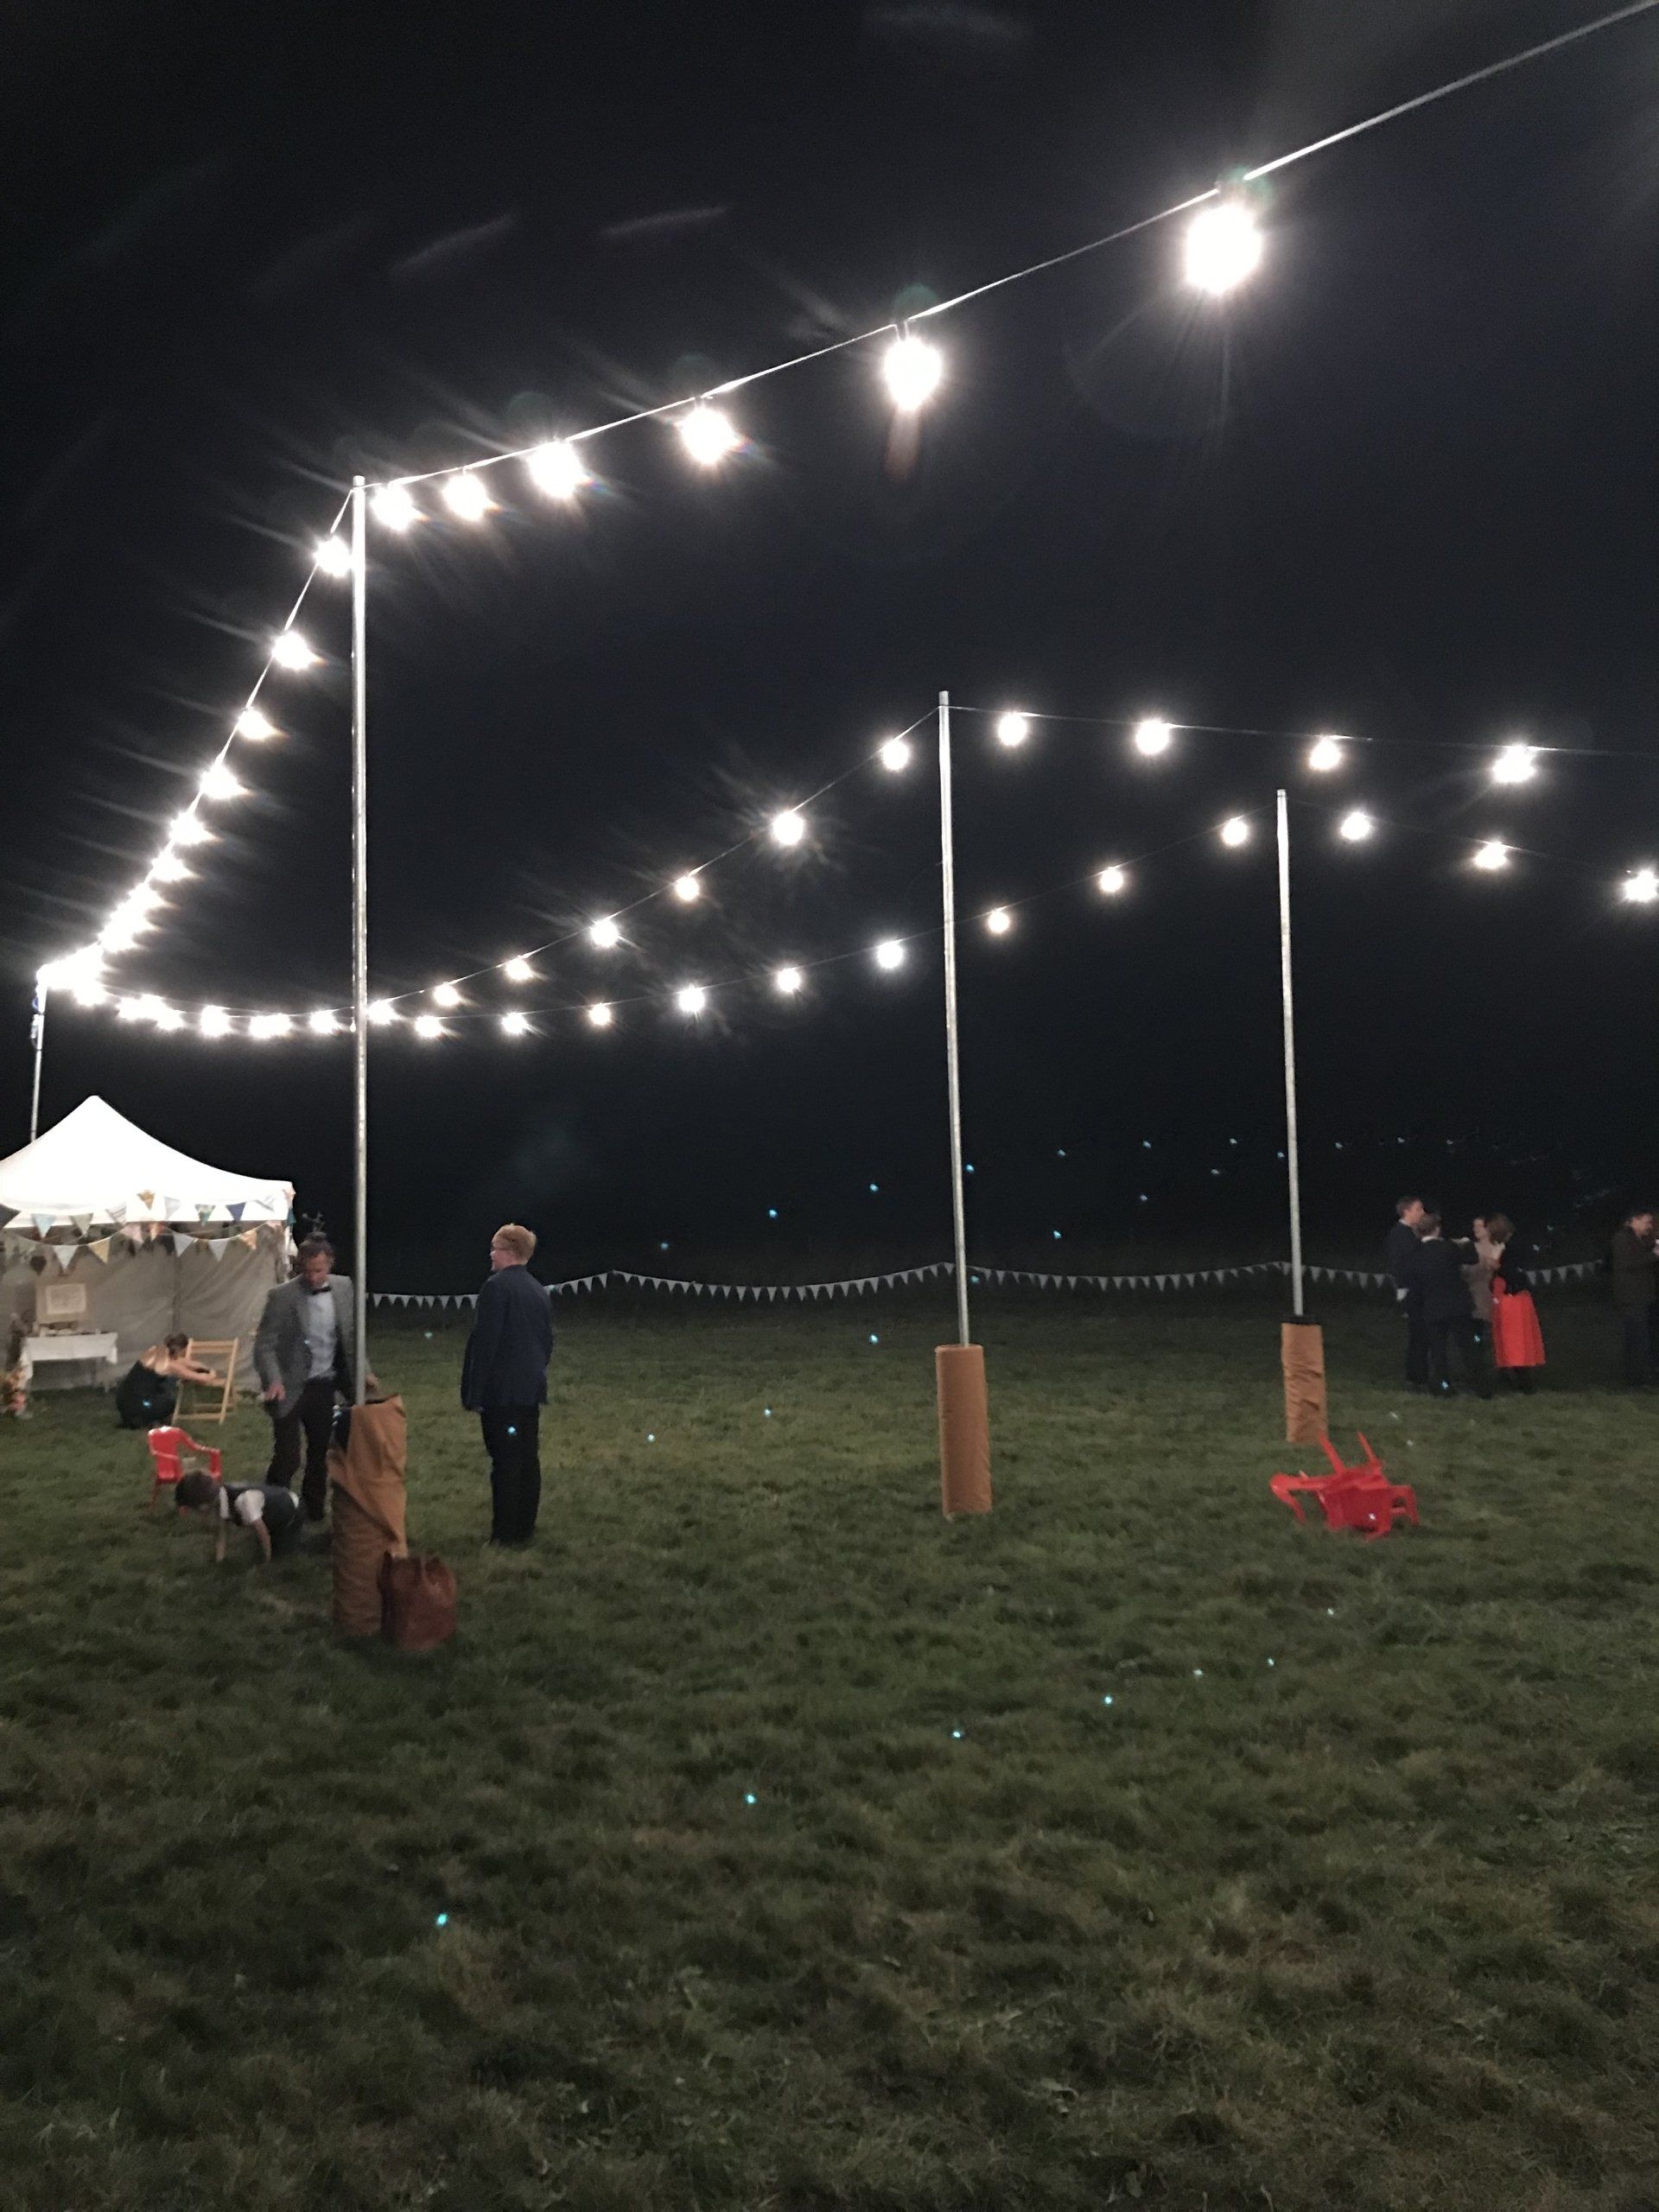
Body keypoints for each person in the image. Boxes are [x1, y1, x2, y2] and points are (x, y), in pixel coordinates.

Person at [253, 1236, 375, 1522]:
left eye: (319, 1270)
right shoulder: (281, 1296)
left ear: (329, 1264)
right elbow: (264, 1344)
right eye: (307, 1271)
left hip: (324, 1382)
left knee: (321, 1452)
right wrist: (273, 1380)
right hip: (289, 1386)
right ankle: (272, 1508)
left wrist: (365, 1370)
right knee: (288, 1456)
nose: (313, 1277)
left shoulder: (344, 1288)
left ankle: (313, 1511)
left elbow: (352, 1335)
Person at [461, 1222, 555, 1547]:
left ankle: (504, 1533)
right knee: (528, 1459)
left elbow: (486, 1342)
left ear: (509, 1252)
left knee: (505, 1462)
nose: (490, 1254)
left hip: (501, 1392)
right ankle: (525, 1528)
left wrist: (474, 1392)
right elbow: (547, 1341)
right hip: (530, 1388)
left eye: (494, 1248)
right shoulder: (538, 1290)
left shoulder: (496, 1288)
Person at [1405, 1214, 1491, 1398]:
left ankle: (1443, 1386)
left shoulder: (1414, 1255)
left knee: (1439, 1351)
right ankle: (1482, 1388)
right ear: (1437, 1229)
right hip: (1457, 1306)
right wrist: (1467, 1243)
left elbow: (1415, 1286)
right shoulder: (1449, 1248)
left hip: (1432, 1308)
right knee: (1469, 1348)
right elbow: (1472, 1259)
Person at [175, 1468, 303, 1562]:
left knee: (280, 1554)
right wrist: (219, 1559)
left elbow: (261, 1530)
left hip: (290, 1513)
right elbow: (222, 1530)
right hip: (270, 1511)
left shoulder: (243, 1502)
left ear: (204, 1506)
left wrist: (267, 1559)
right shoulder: (222, 1496)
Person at [1484, 1213, 1545, 1392]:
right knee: (1509, 1338)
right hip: (1507, 1296)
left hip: (1513, 1298)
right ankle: (1511, 1375)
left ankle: (1524, 1381)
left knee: (1515, 1339)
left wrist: (1497, 1267)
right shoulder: (1508, 1246)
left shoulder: (1513, 1248)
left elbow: (1513, 1272)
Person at [113, 1332, 218, 1430]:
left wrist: (205, 1367)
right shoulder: (170, 1365)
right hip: (140, 1404)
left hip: (123, 1399)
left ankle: (136, 1418)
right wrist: (212, 1374)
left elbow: (187, 1363)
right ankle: (146, 1419)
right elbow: (197, 1377)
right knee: (169, 1400)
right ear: (181, 1350)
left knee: (160, 1385)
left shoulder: (154, 1351)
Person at [1608, 1208, 1656, 1388]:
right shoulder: (1622, 1239)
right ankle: (1637, 1379)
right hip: (1631, 1299)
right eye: (1646, 1222)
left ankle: (1641, 1376)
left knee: (1641, 1339)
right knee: (1637, 1340)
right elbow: (1629, 1264)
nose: (1649, 1226)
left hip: (1641, 1298)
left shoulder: (1637, 1240)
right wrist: (1654, 1255)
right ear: (1633, 1220)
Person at [1387, 1196, 1428, 1391]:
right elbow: (1404, 1265)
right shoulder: (1400, 1234)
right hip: (1411, 1291)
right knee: (1418, 1334)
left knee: (1421, 1335)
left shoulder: (1411, 1233)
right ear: (1407, 1212)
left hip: (1415, 1289)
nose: (1422, 1213)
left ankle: (1419, 1375)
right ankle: (1416, 1377)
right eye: (1419, 1209)